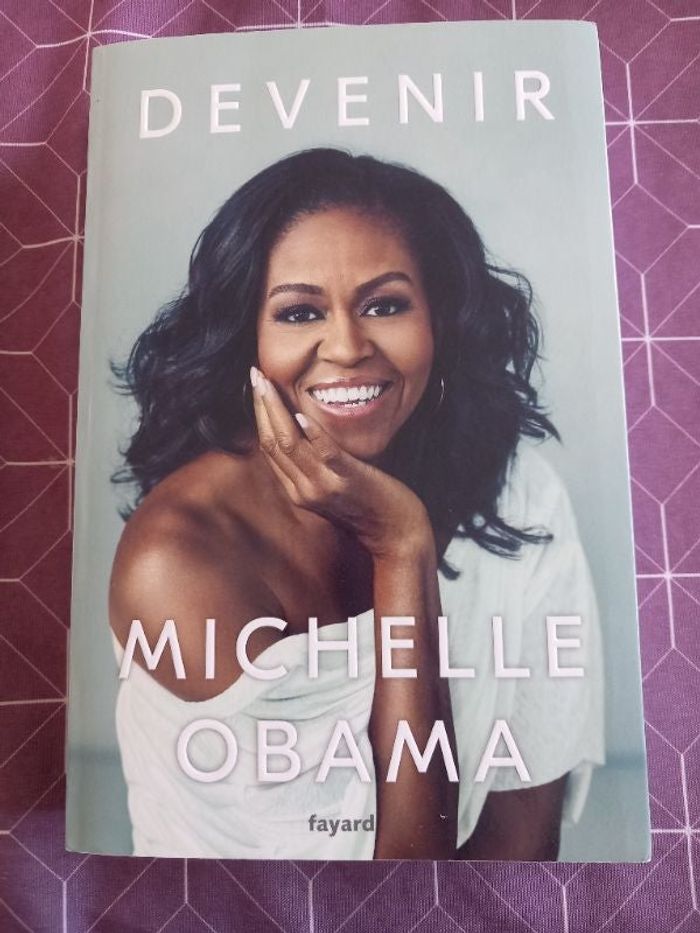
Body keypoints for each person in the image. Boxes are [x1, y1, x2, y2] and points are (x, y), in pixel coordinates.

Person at [109, 148, 604, 860]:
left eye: (385, 305)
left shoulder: (518, 494)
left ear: (441, 320)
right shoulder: (180, 562)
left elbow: (519, 848)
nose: (345, 346)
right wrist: (402, 547)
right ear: (246, 338)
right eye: (300, 312)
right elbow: (397, 883)